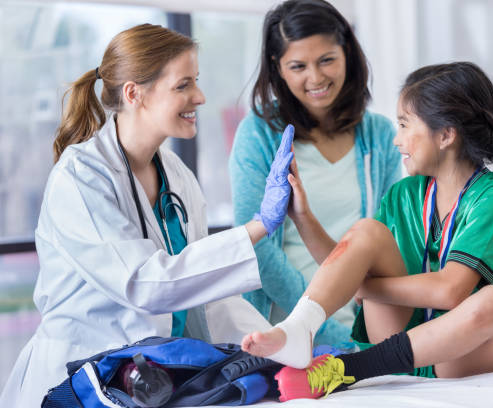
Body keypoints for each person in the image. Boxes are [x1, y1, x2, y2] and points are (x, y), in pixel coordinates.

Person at [0, 24, 295, 407]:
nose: (200, 97)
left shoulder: (176, 174)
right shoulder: (81, 178)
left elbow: (204, 293)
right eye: (183, 85)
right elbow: (145, 284)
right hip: (78, 380)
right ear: (134, 93)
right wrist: (258, 227)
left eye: (197, 82)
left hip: (146, 380)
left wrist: (284, 344)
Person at [242, 62, 493, 401]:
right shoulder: (405, 193)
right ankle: (300, 328)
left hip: (461, 357)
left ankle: (349, 369)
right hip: (398, 338)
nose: (396, 139)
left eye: (403, 124)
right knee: (367, 231)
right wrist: (302, 215)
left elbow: (450, 292)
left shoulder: (492, 200)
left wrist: (362, 286)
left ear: (446, 134)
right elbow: (340, 267)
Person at [229, 0, 401, 348]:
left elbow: (388, 241)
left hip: (365, 324)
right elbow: (256, 247)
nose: (316, 78)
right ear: (277, 68)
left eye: (327, 60)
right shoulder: (259, 133)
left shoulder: (380, 135)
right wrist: (318, 324)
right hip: (286, 325)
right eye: (298, 66)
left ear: (347, 53)